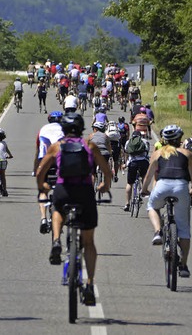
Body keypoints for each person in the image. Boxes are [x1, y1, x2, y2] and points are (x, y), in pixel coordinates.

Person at [36, 113, 112, 306]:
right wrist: (105, 186)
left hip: (64, 189)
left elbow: (40, 172)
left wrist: (43, 186)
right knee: (89, 242)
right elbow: (106, 171)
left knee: (57, 210)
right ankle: (89, 284)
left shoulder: (57, 146)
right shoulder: (90, 145)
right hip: (84, 191)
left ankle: (55, 241)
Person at [141, 125, 192, 278]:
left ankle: (158, 231)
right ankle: (184, 265)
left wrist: (144, 189)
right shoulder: (187, 153)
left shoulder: (158, 153)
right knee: (184, 229)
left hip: (162, 185)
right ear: (180, 139)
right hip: (181, 186)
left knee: (152, 206)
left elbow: (149, 175)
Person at [33, 111, 65, 233]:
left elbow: (38, 151)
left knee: (43, 190)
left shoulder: (43, 129)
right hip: (60, 160)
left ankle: (43, 218)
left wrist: (36, 169)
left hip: (44, 160)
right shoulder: (64, 129)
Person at [123, 131, 150, 211]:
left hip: (132, 163)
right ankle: (143, 190)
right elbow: (147, 152)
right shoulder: (145, 141)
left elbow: (126, 152)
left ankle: (127, 203)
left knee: (129, 183)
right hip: (143, 162)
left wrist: (126, 163)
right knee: (144, 176)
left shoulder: (128, 142)